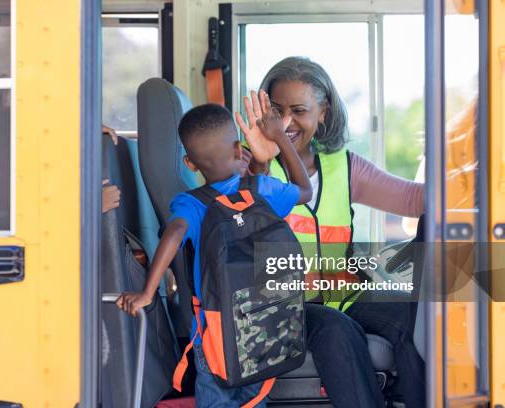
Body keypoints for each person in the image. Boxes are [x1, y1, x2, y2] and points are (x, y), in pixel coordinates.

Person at [238, 56, 425, 407]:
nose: (287, 122)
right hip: (280, 308)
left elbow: (416, 200)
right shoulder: (249, 162)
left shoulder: (345, 166)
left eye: (299, 110)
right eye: (277, 112)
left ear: (323, 112)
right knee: (336, 329)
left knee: (414, 318)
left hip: (344, 297)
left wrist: (471, 171)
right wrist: (261, 160)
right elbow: (242, 218)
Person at [117, 101, 312, 407]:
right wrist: (280, 137)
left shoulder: (191, 204)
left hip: (213, 339)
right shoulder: (263, 189)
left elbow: (174, 233)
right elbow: (305, 190)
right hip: (263, 331)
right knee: (255, 399)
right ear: (239, 150)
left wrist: (147, 292)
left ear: (189, 164)